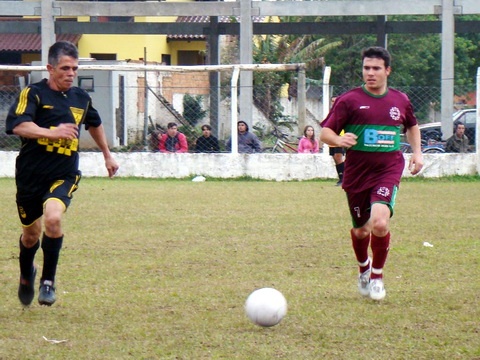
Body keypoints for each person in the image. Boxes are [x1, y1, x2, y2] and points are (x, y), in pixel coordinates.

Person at [5, 41, 119, 307]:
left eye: (75, 69)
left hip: (64, 174)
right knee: (31, 235)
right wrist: (51, 132)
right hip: (31, 177)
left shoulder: (81, 97)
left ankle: (48, 282)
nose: (71, 73)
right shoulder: (33, 94)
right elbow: (18, 125)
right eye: (65, 68)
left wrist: (107, 154)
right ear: (50, 68)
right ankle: (26, 274)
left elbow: (95, 123)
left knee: (53, 219)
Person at [320, 46, 424, 301]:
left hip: (388, 169)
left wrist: (417, 153)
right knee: (361, 231)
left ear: (387, 70)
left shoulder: (400, 100)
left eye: (376, 68)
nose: (370, 73)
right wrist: (339, 140)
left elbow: (412, 126)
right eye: (366, 68)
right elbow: (325, 132)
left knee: (379, 222)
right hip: (357, 173)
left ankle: (377, 276)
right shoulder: (349, 100)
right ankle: (364, 268)